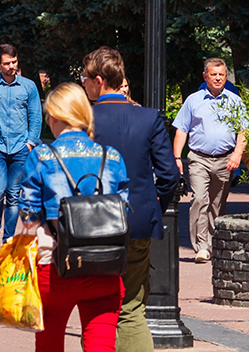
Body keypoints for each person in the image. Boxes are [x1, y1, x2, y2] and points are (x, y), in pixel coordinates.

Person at [16, 82, 131, 352]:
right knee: (101, 345)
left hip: (57, 265)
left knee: (49, 343)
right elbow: (124, 209)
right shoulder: (111, 157)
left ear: (54, 116)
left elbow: (29, 214)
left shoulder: (42, 155)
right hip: (105, 265)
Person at [82, 47, 180, 352]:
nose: (83, 83)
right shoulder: (148, 118)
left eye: (85, 78)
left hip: (94, 225)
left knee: (98, 308)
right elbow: (169, 177)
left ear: (98, 80)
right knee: (133, 307)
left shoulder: (85, 120)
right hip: (137, 223)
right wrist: (152, 210)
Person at [173, 57, 247, 262]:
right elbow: (181, 130)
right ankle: (201, 246)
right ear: (205, 76)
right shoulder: (193, 100)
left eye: (221, 75)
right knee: (199, 199)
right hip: (199, 159)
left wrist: (237, 155)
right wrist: (177, 157)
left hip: (225, 160)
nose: (217, 78)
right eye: (213, 74)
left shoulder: (234, 101)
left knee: (217, 203)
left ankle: (212, 243)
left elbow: (244, 130)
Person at [0, 43, 42, 256]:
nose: (11, 66)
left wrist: (30, 142)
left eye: (14, 62)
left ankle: (8, 240)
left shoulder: (29, 87)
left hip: (20, 148)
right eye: (7, 63)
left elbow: (36, 116)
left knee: (13, 195)